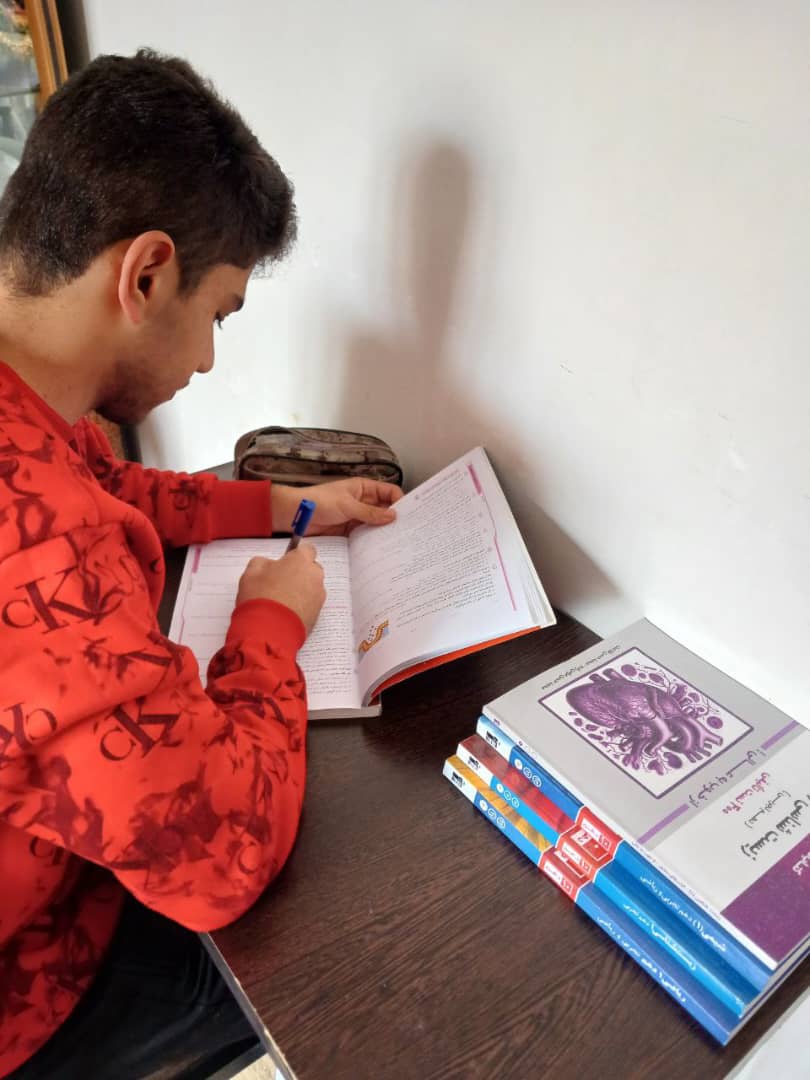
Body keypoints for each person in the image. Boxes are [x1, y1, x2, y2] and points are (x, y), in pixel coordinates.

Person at [0, 49, 402, 1078]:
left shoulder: (27, 401)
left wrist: (291, 506)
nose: (209, 359)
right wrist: (269, 627)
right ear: (146, 275)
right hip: (29, 984)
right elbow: (221, 857)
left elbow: (110, 485)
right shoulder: (37, 547)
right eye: (218, 315)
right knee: (346, 951)